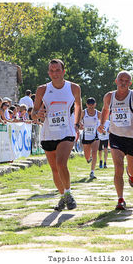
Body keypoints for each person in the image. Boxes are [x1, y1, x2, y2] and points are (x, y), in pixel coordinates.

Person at [31, 59, 82, 212]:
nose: (55, 73)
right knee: (54, 169)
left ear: (63, 71)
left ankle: (68, 194)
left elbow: (79, 105)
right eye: (52, 71)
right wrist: (37, 114)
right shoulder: (42, 89)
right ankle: (62, 196)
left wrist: (77, 123)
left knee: (61, 163)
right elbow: (34, 113)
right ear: (48, 72)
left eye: (57, 70)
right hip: (48, 133)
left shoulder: (73, 87)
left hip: (67, 131)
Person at [98, 70, 133, 210]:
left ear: (130, 83)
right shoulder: (109, 96)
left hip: (132, 137)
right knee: (118, 168)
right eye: (121, 80)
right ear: (116, 81)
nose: (123, 83)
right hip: (116, 137)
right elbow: (105, 110)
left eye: (126, 81)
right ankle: (120, 199)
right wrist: (102, 124)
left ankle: (131, 175)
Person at [80, 97, 101, 179]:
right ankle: (89, 159)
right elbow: (77, 120)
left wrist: (101, 126)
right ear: (87, 105)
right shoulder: (83, 113)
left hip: (95, 135)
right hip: (86, 135)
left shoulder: (98, 113)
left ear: (95, 105)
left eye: (92, 106)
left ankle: (92, 172)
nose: (91, 107)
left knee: (95, 152)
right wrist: (80, 124)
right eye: (89, 106)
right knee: (87, 156)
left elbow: (103, 120)